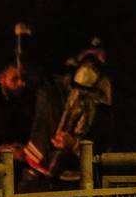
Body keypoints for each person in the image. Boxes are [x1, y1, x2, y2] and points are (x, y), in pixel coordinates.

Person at [21, 40, 112, 187]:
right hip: (42, 173)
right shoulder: (56, 91)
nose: (89, 66)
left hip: (78, 178)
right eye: (87, 60)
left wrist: (74, 144)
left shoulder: (102, 110)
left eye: (95, 63)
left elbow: (101, 147)